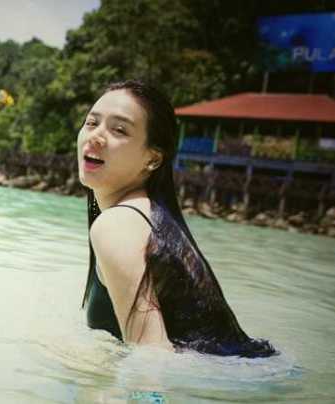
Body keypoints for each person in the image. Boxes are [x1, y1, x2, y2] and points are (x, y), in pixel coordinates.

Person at [78, 80, 277, 358]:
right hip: (250, 370)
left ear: (153, 159)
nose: (96, 136)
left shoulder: (117, 224)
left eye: (119, 130)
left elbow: (153, 357)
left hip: (231, 378)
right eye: (91, 123)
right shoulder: (148, 215)